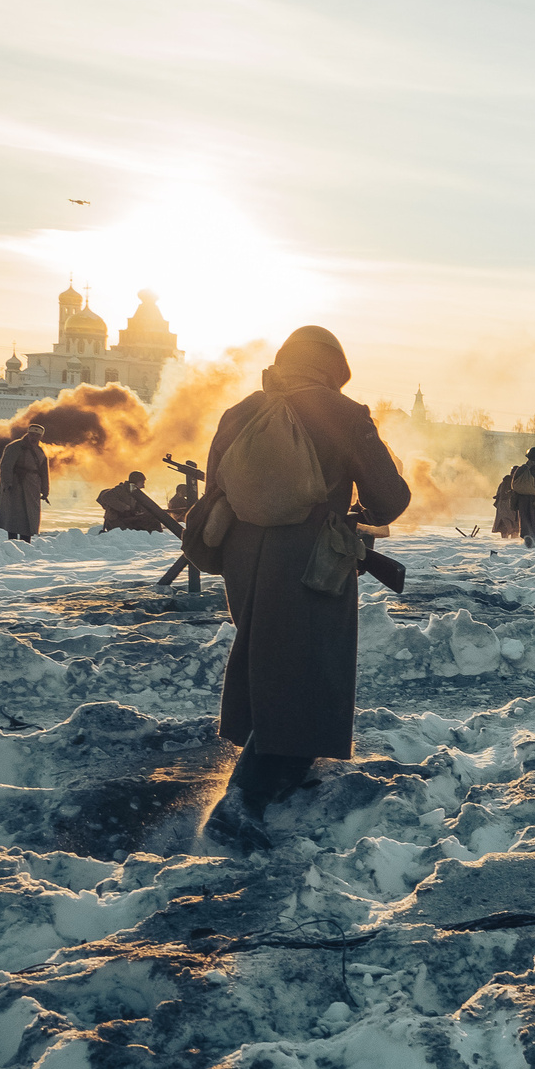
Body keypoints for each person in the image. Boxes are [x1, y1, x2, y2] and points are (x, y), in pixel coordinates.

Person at [198, 326, 410, 851]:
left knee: (264, 658)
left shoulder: (239, 412)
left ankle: (287, 770)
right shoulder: (343, 413)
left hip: (243, 559)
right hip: (315, 559)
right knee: (307, 667)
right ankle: (242, 798)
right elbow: (390, 498)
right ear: (334, 368)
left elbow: (215, 492)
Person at [0, 425, 49, 541]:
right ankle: (13, 543)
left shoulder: (40, 451)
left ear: (41, 437)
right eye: (32, 434)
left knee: (29, 517)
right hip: (15, 486)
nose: (34, 438)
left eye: (37, 435)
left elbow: (44, 472)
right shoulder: (15, 447)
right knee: (13, 516)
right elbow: (6, 466)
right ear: (28, 434)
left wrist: (45, 490)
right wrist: (7, 482)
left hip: (32, 487)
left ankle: (26, 542)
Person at [96, 470, 179, 532]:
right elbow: (106, 497)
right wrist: (124, 507)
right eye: (142, 482)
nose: (143, 485)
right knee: (151, 522)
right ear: (137, 481)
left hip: (125, 519)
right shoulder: (122, 489)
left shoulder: (134, 492)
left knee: (152, 519)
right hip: (116, 522)